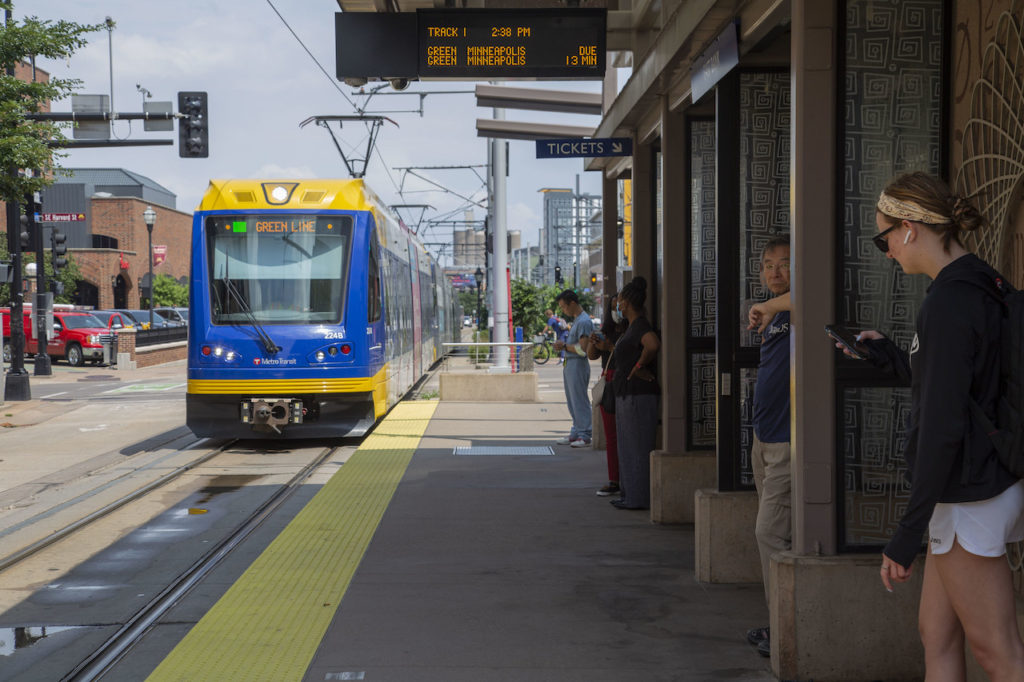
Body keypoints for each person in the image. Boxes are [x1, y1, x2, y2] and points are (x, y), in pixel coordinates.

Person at [850, 172, 1024, 679]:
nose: (886, 251)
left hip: (970, 492)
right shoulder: (981, 282)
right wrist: (894, 358)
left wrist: (906, 534)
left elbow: (941, 425)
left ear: (909, 228)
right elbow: (970, 386)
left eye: (884, 237)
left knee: (997, 651)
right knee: (937, 633)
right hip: (982, 479)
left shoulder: (946, 302)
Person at [743, 235, 793, 659]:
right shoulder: (777, 312)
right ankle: (778, 620)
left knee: (769, 533)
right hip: (765, 438)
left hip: (789, 445)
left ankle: (786, 628)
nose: (775, 271)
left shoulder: (801, 305)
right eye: (768, 264)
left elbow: (811, 295)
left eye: (785, 263)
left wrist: (769, 306)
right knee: (779, 534)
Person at [610, 277, 660, 510]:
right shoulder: (630, 326)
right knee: (628, 447)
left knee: (637, 447)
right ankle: (629, 494)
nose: (617, 305)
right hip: (627, 394)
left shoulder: (640, 325)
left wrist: (639, 366)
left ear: (627, 303)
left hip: (637, 395)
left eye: (620, 300)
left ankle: (637, 497)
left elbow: (652, 344)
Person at [588, 292, 628, 496]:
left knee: (627, 434)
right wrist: (593, 343)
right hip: (609, 382)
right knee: (611, 435)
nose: (617, 310)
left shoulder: (631, 330)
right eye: (613, 306)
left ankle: (628, 479)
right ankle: (614, 479)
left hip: (626, 381)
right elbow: (592, 355)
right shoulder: (606, 330)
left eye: (619, 305)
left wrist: (610, 347)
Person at [552, 290, 593, 447]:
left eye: (564, 306)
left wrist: (564, 346)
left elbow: (583, 349)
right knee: (572, 400)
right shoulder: (578, 320)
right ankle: (577, 431)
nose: (563, 310)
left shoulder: (583, 321)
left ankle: (585, 434)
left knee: (579, 400)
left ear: (573, 303)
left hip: (577, 364)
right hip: (571, 363)